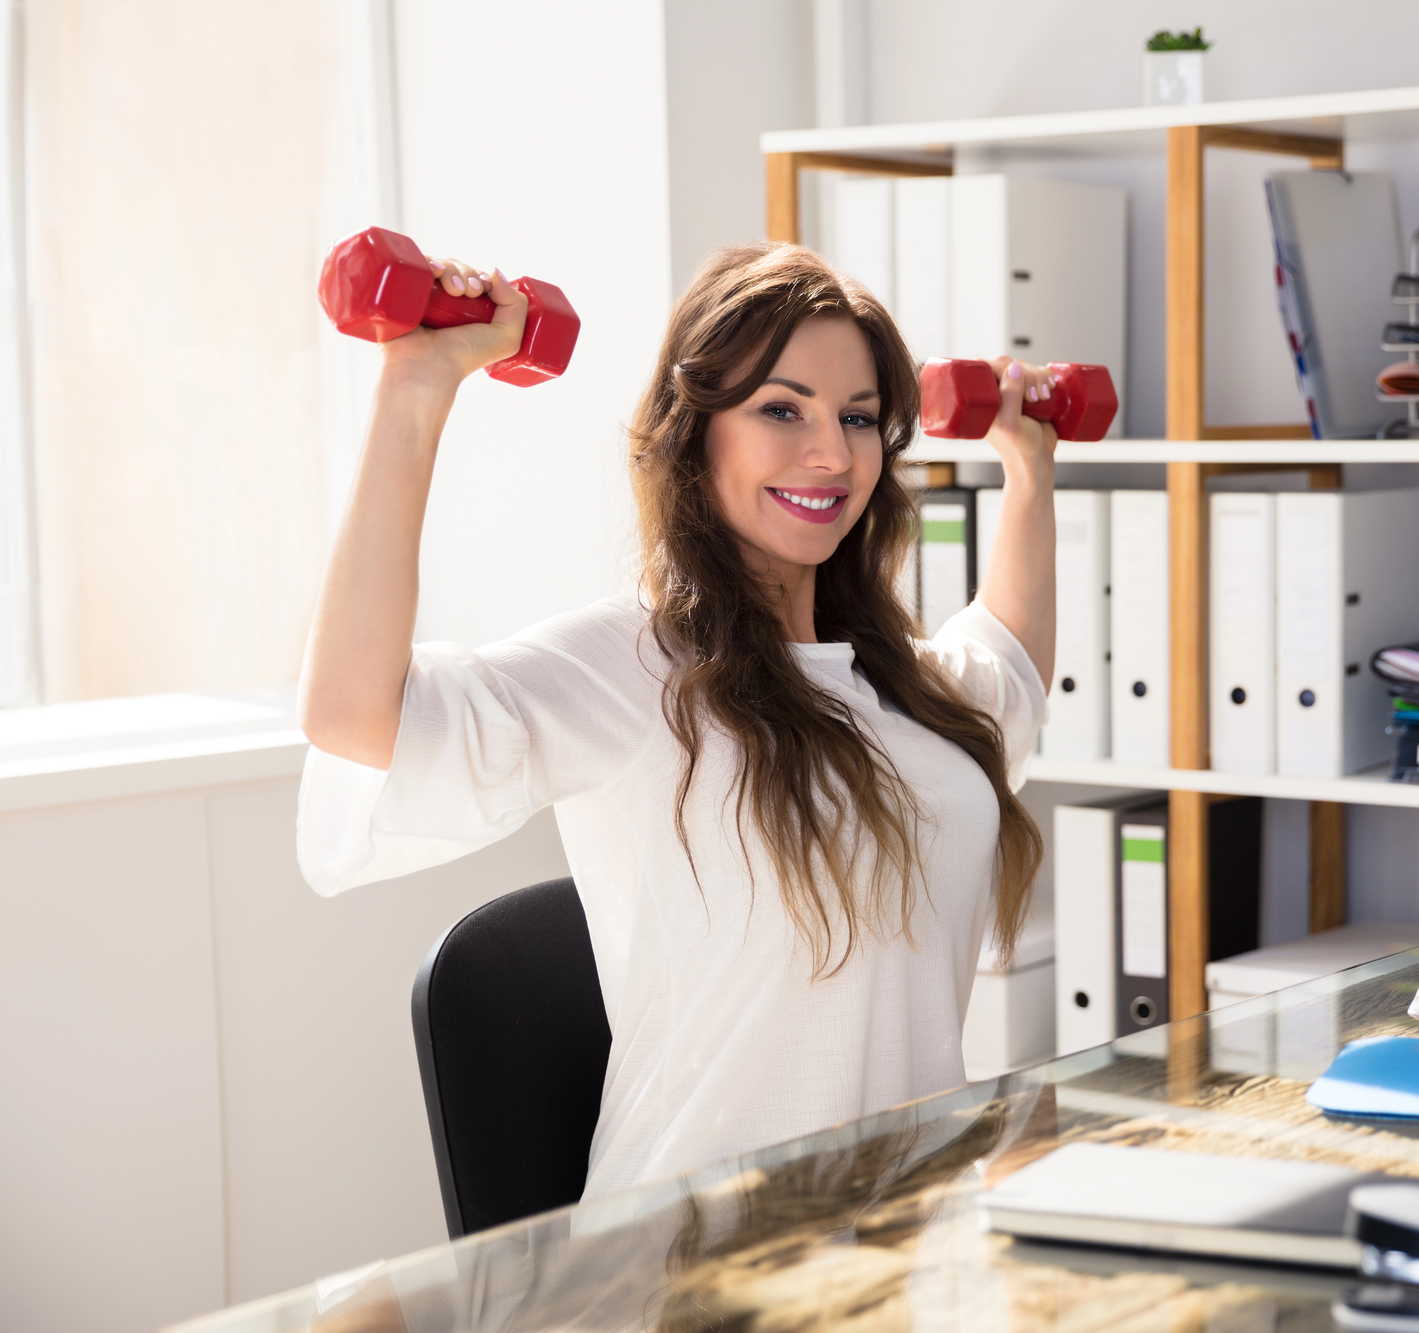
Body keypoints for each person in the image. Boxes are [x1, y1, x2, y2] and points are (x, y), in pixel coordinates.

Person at [296, 242, 1056, 1197]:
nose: (832, 452)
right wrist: (416, 384)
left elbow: (1010, 668)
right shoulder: (637, 670)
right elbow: (354, 714)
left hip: (904, 1251)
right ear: (696, 433)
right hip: (695, 1263)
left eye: (857, 417)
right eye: (783, 409)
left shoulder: (901, 691)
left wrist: (1029, 468)